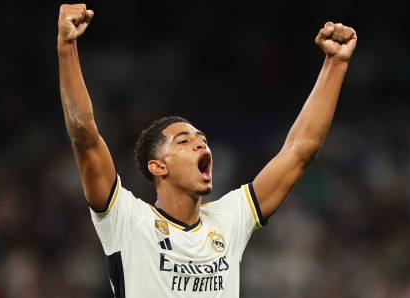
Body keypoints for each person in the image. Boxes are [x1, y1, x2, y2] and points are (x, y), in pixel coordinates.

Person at [57, 3, 356, 297]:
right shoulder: (128, 220)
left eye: (201, 138)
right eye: (184, 141)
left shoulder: (229, 221)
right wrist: (67, 45)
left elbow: (299, 150)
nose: (201, 142)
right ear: (158, 167)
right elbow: (85, 137)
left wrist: (336, 63)